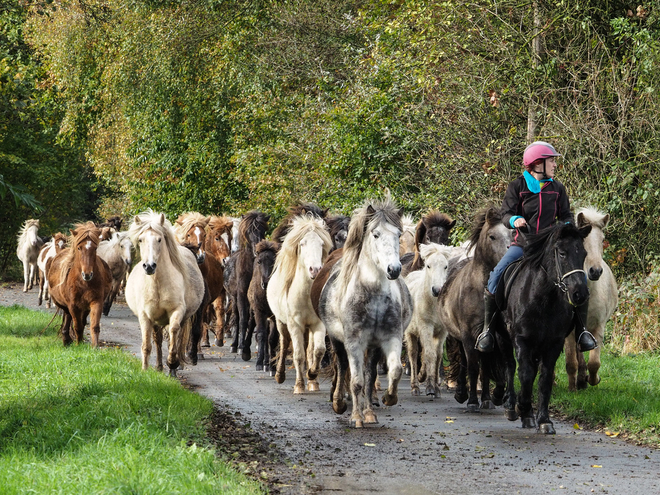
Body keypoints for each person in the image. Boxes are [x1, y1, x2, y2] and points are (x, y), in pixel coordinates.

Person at [475, 141, 597, 353]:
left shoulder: (558, 188)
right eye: (551, 160)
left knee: (580, 278)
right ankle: (488, 330)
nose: (554, 165)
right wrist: (515, 221)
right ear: (536, 164)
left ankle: (582, 331)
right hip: (523, 245)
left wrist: (568, 226)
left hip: (551, 248)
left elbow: (566, 214)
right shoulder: (517, 187)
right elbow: (505, 214)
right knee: (495, 276)